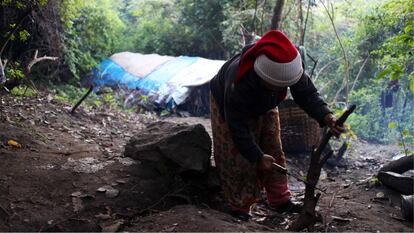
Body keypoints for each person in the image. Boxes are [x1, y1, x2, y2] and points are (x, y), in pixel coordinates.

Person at [209, 30, 345, 221]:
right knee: (237, 155)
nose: (281, 89)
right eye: (275, 85)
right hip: (228, 106)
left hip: (266, 103)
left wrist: (326, 116)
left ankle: (280, 199)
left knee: (273, 149)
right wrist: (256, 156)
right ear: (261, 76)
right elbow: (237, 125)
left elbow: (306, 94)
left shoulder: (290, 66)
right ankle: (239, 205)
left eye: (283, 87)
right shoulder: (239, 81)